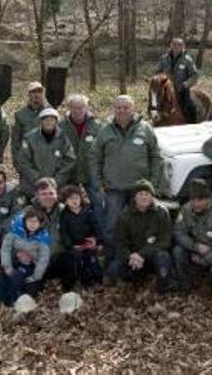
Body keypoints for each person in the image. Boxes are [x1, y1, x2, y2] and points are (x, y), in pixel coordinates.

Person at [89, 95, 161, 263]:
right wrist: (98, 183)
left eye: (126, 107)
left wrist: (153, 184)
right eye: (118, 107)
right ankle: (112, 262)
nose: (122, 110)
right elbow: (94, 157)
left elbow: (156, 157)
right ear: (114, 109)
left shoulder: (145, 129)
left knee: (141, 226)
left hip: (140, 190)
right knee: (111, 226)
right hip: (114, 188)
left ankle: (139, 261)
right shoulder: (105, 130)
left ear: (133, 108)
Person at [107, 180, 175, 294]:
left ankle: (162, 288)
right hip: (133, 258)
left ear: (152, 196)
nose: (144, 197)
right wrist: (131, 256)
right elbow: (120, 243)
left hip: (153, 254)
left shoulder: (162, 212)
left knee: (164, 257)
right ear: (134, 197)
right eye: (140, 194)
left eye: (147, 194)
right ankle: (134, 281)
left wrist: (142, 254)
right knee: (113, 270)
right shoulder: (124, 216)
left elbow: (165, 241)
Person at [172, 179, 212, 293]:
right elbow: (178, 232)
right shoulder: (185, 210)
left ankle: (211, 287)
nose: (196, 204)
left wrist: (205, 260)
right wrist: (195, 246)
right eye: (193, 199)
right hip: (194, 250)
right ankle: (186, 283)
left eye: (200, 199)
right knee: (177, 251)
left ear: (208, 198)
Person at [0, 209, 50, 307]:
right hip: (15, 261)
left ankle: (11, 299)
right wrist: (7, 265)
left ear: (40, 223)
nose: (32, 224)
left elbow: (44, 259)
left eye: (35, 222)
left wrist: (35, 275)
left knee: (17, 275)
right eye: (30, 221)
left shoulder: (42, 237)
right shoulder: (15, 232)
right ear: (24, 222)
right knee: (6, 275)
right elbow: (5, 249)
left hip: (31, 266)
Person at [24, 178, 77, 292]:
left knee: (71, 257)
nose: (48, 197)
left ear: (56, 194)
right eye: (43, 194)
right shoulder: (28, 212)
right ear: (37, 195)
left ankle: (69, 291)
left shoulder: (65, 211)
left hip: (57, 257)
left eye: (51, 193)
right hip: (36, 261)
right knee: (30, 290)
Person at [59, 94, 104, 217]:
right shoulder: (60, 127)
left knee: (98, 203)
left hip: (90, 172)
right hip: (69, 173)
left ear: (86, 108)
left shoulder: (97, 126)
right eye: (75, 107)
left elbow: (103, 150)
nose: (78, 111)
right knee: (67, 205)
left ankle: (101, 234)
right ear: (69, 108)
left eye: (81, 107)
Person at [16, 108, 76, 197]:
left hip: (56, 187)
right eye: (46, 120)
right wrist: (37, 179)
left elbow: (70, 160)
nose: (49, 122)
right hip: (33, 186)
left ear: (56, 121)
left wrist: (57, 180)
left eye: (52, 120)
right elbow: (23, 161)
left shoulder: (63, 138)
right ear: (41, 121)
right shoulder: (29, 137)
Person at [59, 185, 103, 289]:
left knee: (91, 261)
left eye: (76, 198)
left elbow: (96, 227)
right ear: (65, 201)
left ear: (80, 198)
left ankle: (96, 280)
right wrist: (69, 245)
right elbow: (64, 232)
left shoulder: (88, 211)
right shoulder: (65, 215)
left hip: (88, 243)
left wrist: (98, 240)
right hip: (75, 245)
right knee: (76, 260)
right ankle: (80, 281)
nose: (74, 201)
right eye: (70, 199)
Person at [155, 37, 200, 122]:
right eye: (174, 44)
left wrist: (185, 84)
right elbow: (157, 72)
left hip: (181, 89)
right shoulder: (163, 59)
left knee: (190, 106)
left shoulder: (187, 60)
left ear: (183, 46)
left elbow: (194, 75)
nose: (176, 47)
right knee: (155, 102)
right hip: (165, 89)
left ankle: (191, 124)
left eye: (179, 45)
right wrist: (160, 79)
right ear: (170, 46)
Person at [11, 81, 50, 163]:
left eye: (39, 91)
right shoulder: (20, 115)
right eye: (33, 92)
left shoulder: (50, 112)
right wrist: (17, 162)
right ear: (29, 95)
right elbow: (15, 141)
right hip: (27, 161)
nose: (37, 95)